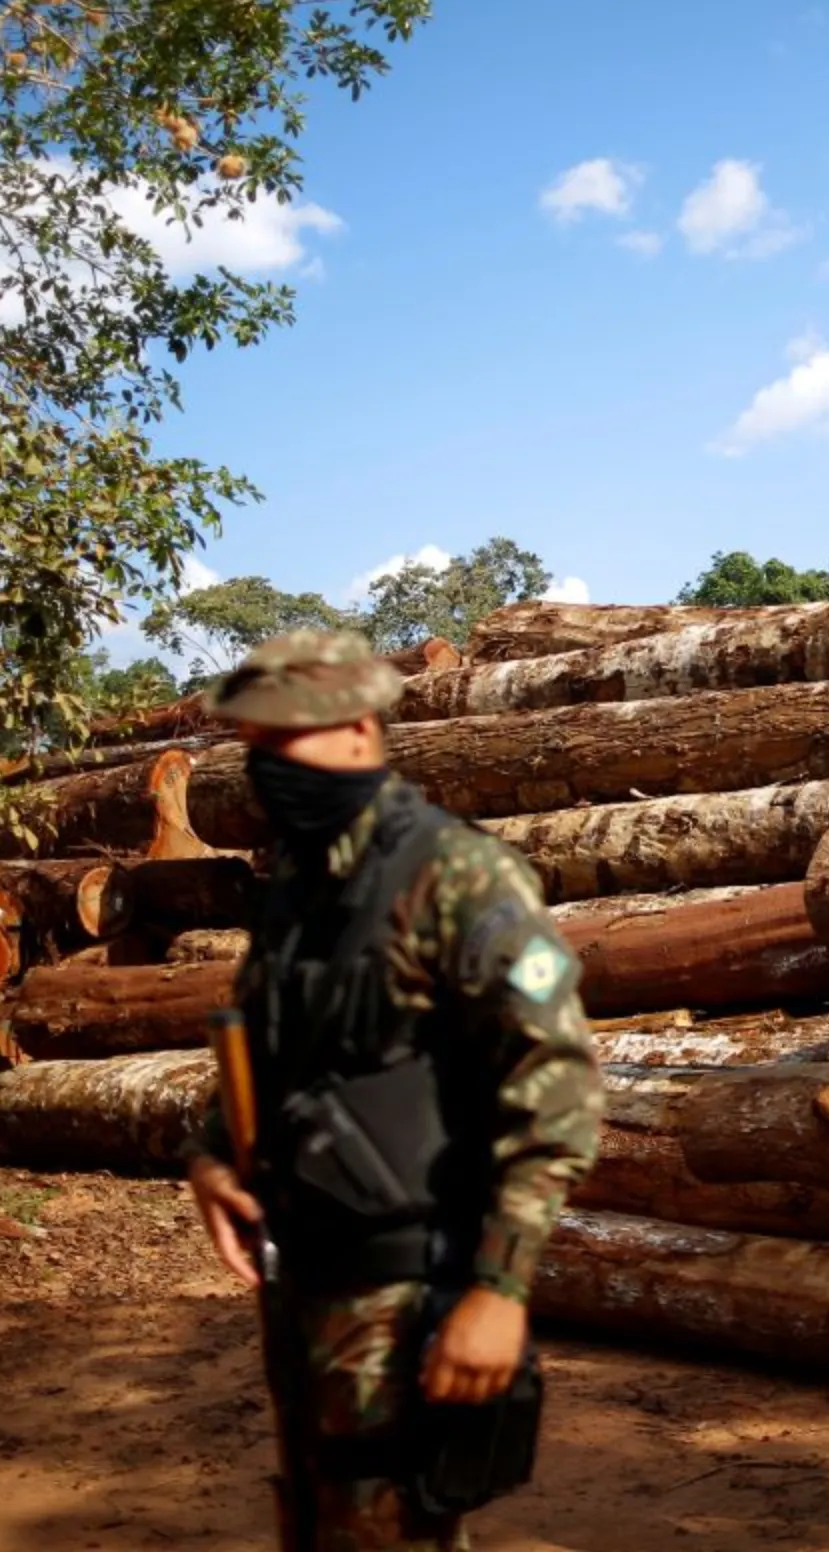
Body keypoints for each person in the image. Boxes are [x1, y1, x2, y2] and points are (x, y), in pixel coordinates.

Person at [179, 629, 603, 1550]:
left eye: (287, 738)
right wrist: (214, 1157)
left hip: (411, 1286)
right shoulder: (299, 882)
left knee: (390, 1525)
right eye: (254, 744)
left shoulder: (456, 874)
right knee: (322, 1512)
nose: (267, 765)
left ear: (362, 732)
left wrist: (498, 1290)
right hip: (306, 1280)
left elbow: (557, 1088)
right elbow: (273, 1044)